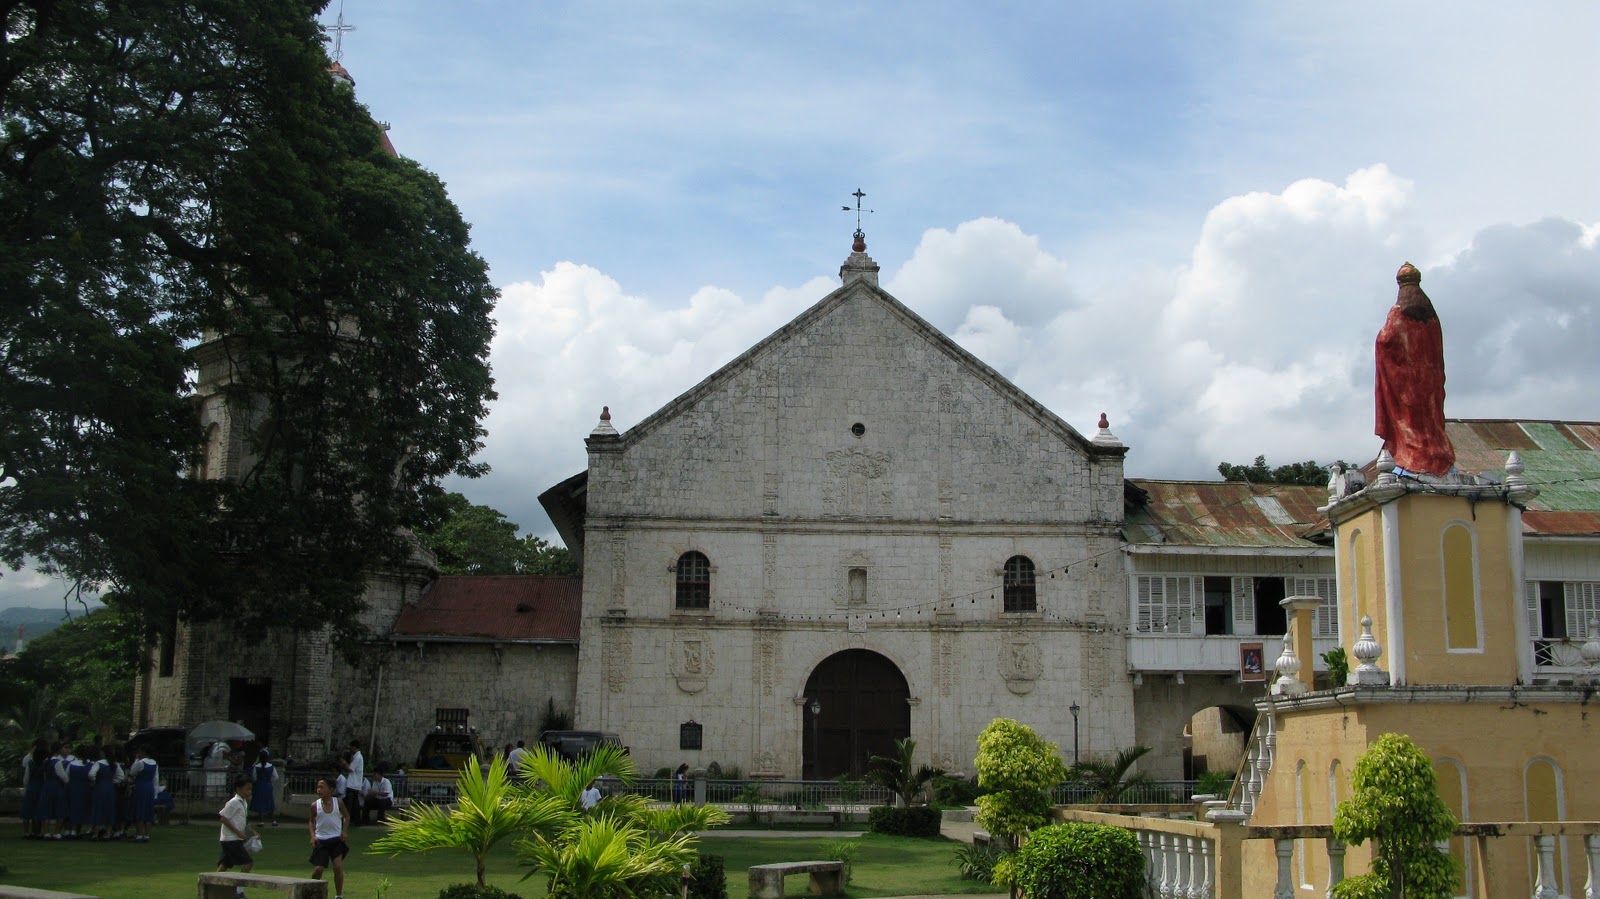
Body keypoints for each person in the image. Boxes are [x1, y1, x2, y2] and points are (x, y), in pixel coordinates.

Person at [1374, 262, 1455, 477]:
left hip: (1406, 381)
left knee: (1408, 420)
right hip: (1430, 380)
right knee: (1431, 417)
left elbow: (1385, 340)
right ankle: (1434, 453)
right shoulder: (1432, 317)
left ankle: (1413, 456)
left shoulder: (1399, 312)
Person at [308, 776, 350, 899]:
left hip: (336, 840)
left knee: (337, 867)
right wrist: (312, 836)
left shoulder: (339, 803)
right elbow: (311, 821)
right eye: (317, 787)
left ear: (330, 790)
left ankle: (339, 895)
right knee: (318, 870)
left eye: (322, 787)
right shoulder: (314, 805)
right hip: (321, 841)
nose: (318, 790)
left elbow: (346, 817)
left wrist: (344, 831)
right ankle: (311, 891)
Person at [217, 774, 258, 884]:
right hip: (231, 839)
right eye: (247, 789)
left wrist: (252, 831)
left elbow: (242, 819)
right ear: (238, 789)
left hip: (231, 839)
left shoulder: (243, 802)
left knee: (225, 864)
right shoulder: (234, 802)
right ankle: (238, 890)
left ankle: (212, 886)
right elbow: (223, 818)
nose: (249, 792)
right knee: (248, 862)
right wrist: (239, 833)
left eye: (251, 789)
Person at [127, 745, 158, 842]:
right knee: (148, 810)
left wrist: (136, 760)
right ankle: (146, 834)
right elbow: (155, 779)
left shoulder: (141, 762)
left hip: (141, 787)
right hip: (149, 788)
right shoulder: (154, 763)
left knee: (139, 809)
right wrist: (155, 792)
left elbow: (132, 772)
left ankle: (139, 834)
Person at [87, 746, 119, 839]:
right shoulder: (114, 764)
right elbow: (121, 776)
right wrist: (112, 781)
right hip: (110, 788)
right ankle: (108, 833)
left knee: (99, 808)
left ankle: (96, 833)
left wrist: (93, 781)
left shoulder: (98, 763)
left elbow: (91, 774)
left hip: (100, 787)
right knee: (109, 809)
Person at [21, 739, 46, 839]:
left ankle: (27, 832)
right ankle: (38, 832)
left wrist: (26, 787)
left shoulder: (30, 763)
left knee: (27, 811)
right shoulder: (45, 764)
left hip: (31, 788)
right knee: (38, 811)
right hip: (41, 788)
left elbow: (26, 779)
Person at [250, 748, 279, 827]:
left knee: (260, 802)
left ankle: (261, 821)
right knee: (270, 802)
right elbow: (276, 777)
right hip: (268, 785)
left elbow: (254, 777)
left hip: (259, 785)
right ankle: (274, 820)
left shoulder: (256, 767)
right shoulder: (271, 767)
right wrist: (269, 780)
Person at [343, 741, 365, 826]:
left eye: (351, 747)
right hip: (354, 783)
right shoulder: (356, 757)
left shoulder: (358, 757)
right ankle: (355, 819)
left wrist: (344, 763)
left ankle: (354, 819)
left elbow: (350, 769)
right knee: (353, 803)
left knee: (352, 803)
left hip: (353, 784)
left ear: (354, 747)